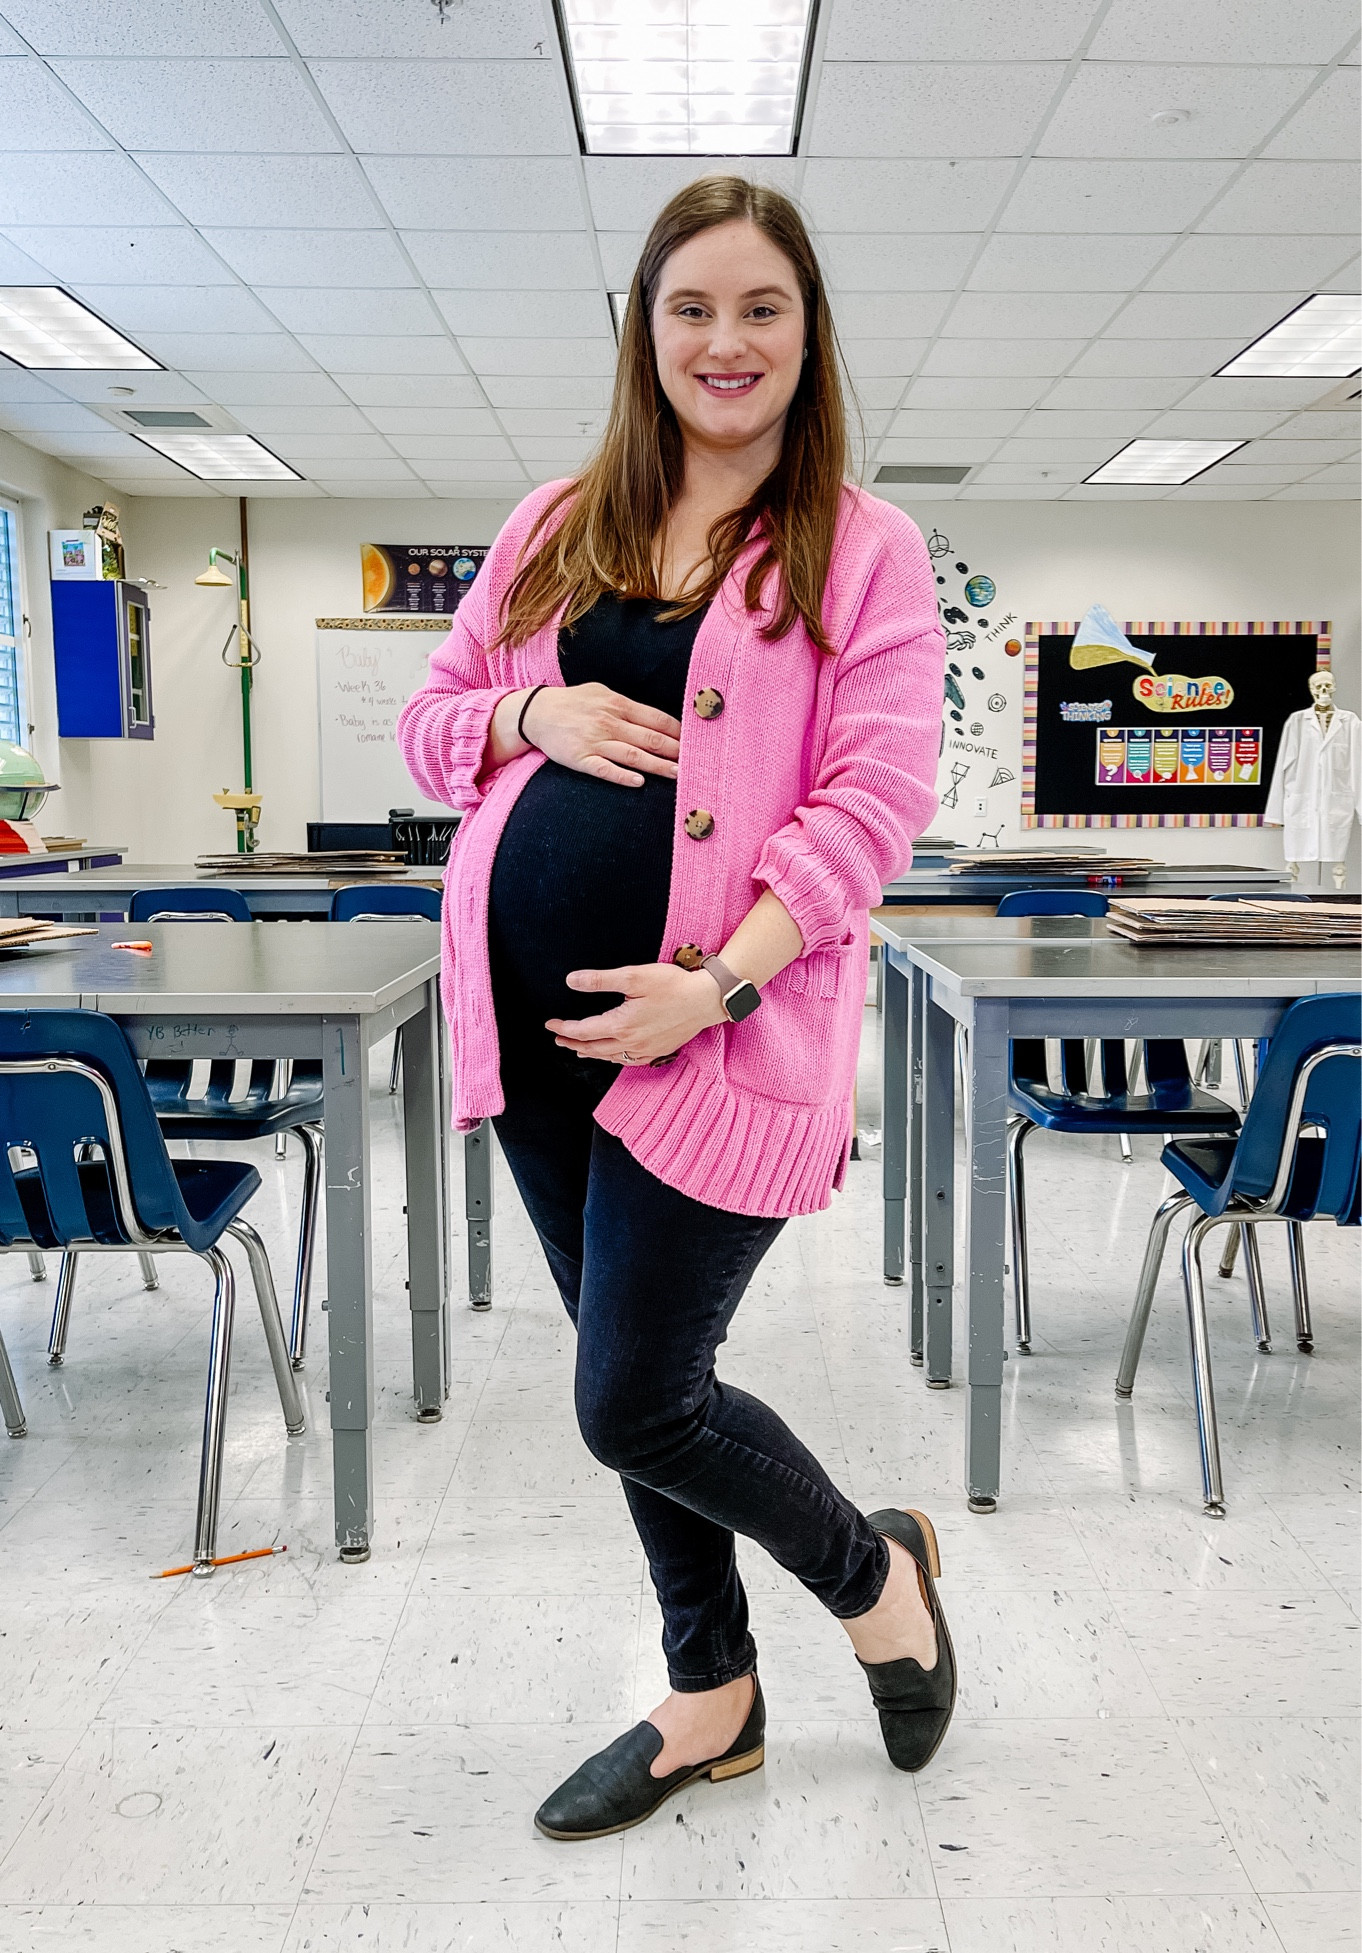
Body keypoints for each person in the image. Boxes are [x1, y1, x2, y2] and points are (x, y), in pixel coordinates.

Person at [398, 174, 950, 1841]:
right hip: (532, 1037)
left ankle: (877, 1581)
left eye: (759, 308)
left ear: (806, 334)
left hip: (720, 1033)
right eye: (689, 306)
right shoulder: (553, 518)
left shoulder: (862, 547)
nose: (724, 339)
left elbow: (870, 809)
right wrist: (529, 713)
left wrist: (712, 979)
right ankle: (709, 1691)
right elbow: (430, 724)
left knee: (636, 1394)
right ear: (644, 330)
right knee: (632, 1378)